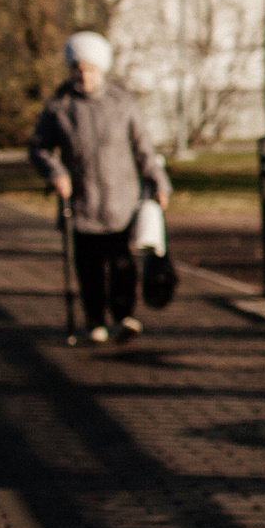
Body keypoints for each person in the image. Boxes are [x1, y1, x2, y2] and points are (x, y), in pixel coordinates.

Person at [28, 32, 170, 344]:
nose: (84, 76)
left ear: (102, 69)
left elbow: (143, 148)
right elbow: (39, 147)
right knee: (89, 267)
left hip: (121, 201)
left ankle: (123, 316)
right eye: (78, 69)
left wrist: (158, 182)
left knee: (122, 263)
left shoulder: (122, 103)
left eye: (90, 69)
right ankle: (95, 321)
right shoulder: (59, 106)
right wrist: (55, 172)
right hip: (82, 202)